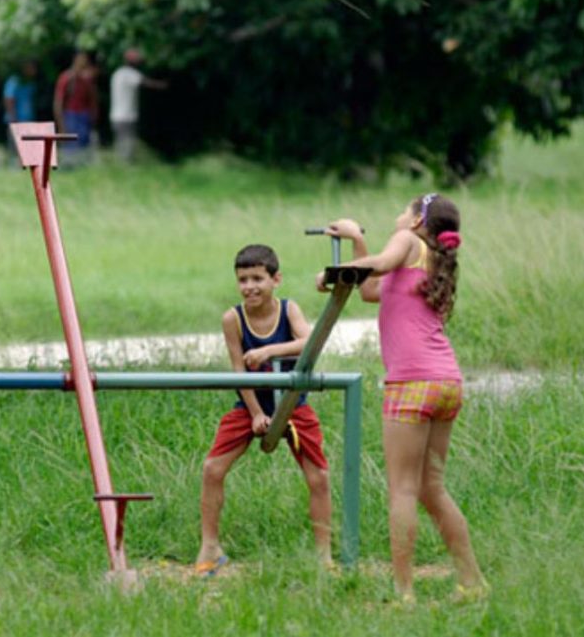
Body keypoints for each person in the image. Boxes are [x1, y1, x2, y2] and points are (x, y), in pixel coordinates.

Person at [318, 194, 486, 603]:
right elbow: (372, 290)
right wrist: (358, 242)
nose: (398, 216)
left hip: (412, 382)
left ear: (416, 221)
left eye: (405, 210)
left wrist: (333, 271)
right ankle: (472, 582)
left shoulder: (407, 242)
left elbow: (378, 265)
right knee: (431, 488)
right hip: (446, 381)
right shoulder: (432, 260)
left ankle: (404, 593)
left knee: (403, 491)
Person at [196, 244, 333, 576]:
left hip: (291, 402)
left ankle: (323, 555)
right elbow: (238, 372)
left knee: (319, 477)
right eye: (242, 279)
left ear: (276, 279)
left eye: (257, 278)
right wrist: (255, 413)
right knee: (212, 469)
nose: (249, 287)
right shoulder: (234, 319)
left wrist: (270, 350)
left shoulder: (288, 311)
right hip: (250, 403)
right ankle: (210, 547)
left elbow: (311, 340)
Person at [109, 48, 166, 162]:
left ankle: (120, 169)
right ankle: (124, 170)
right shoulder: (130, 74)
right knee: (127, 147)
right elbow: (147, 83)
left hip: (116, 116)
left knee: (122, 145)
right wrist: (163, 85)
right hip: (127, 117)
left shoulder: (117, 73)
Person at [53, 51, 99, 156]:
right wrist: (61, 124)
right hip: (70, 115)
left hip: (84, 115)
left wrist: (94, 114)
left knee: (84, 147)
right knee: (71, 147)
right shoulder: (66, 77)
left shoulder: (88, 79)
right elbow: (58, 103)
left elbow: (92, 99)